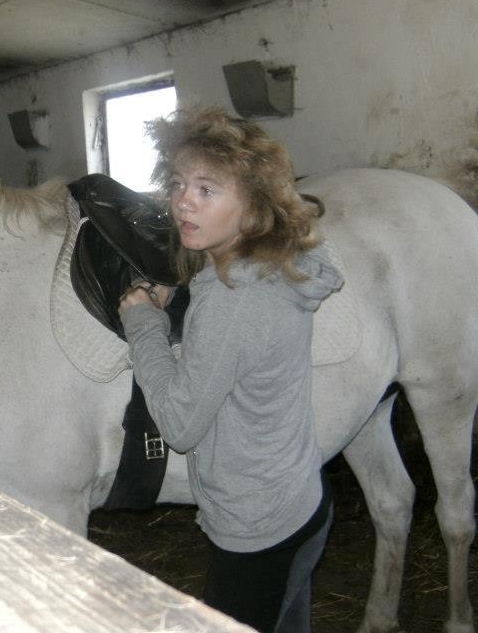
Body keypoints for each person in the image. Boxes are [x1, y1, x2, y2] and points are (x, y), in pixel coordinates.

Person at [117, 107, 343, 632]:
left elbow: (179, 424)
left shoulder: (233, 300)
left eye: (206, 189)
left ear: (254, 208)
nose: (181, 201)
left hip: (258, 534)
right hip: (302, 501)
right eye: (178, 184)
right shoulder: (275, 261)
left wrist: (144, 323)